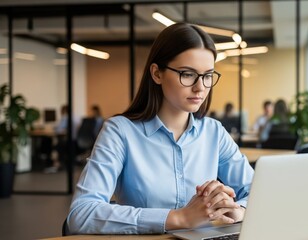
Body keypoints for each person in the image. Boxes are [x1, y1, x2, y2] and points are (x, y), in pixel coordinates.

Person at [66, 22, 254, 235]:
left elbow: (258, 192)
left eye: (208, 75)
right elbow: (81, 214)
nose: (200, 87)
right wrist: (179, 218)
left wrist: (240, 210)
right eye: (187, 74)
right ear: (157, 74)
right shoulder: (120, 131)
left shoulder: (214, 132)